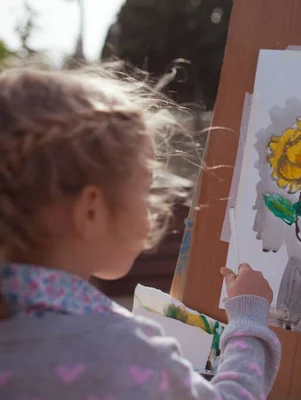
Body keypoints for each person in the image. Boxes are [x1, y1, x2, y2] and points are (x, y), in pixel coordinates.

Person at [0, 65, 280, 399]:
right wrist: (248, 320)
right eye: (147, 189)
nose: (156, 209)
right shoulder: (122, 354)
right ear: (90, 211)